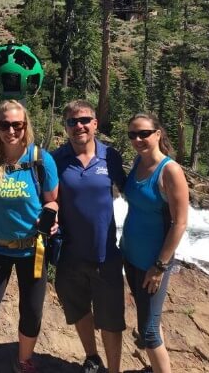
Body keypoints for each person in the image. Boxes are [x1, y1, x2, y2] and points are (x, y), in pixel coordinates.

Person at [0, 99, 59, 373]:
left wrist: (52, 216)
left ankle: (24, 361)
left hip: (34, 250)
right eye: (4, 125)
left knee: (32, 313)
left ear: (25, 126)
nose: (11, 130)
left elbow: (53, 202)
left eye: (17, 125)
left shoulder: (41, 160)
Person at [52, 100, 126, 373]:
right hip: (69, 254)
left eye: (84, 120)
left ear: (95, 123)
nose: (79, 126)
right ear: (66, 127)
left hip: (105, 253)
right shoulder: (57, 159)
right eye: (72, 121)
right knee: (78, 309)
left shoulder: (111, 157)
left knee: (110, 318)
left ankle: (114, 369)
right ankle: (92, 357)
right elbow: (49, 198)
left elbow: (135, 193)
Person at [120, 113, 189, 373]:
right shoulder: (139, 162)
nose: (138, 139)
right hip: (130, 255)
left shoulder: (169, 170)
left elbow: (179, 223)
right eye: (132, 135)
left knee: (148, 333)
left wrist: (160, 266)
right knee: (149, 318)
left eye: (144, 134)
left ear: (158, 134)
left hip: (153, 262)